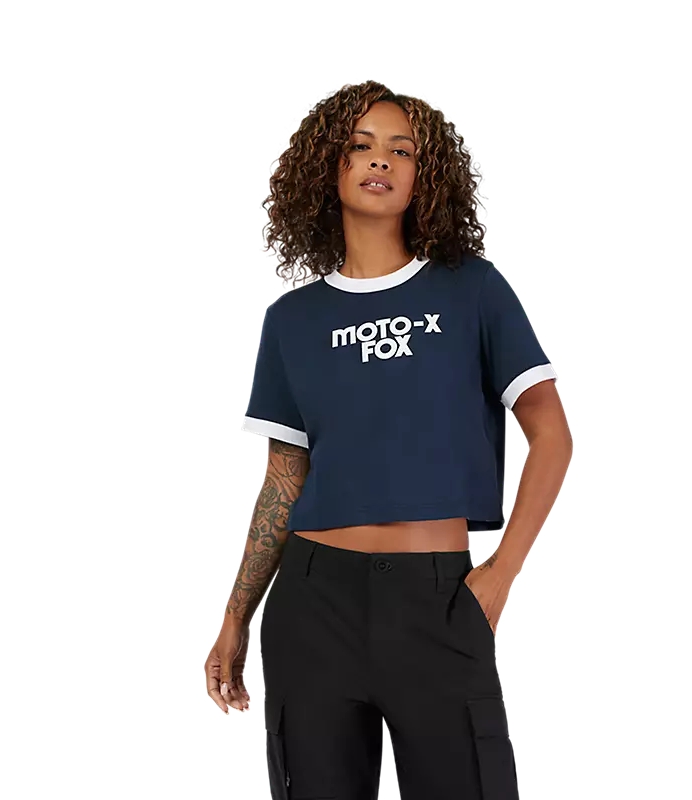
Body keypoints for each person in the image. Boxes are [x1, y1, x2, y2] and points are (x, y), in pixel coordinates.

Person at [204, 80, 573, 800]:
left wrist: (501, 574)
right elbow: (284, 479)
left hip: (437, 598)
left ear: (424, 175)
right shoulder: (292, 321)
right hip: (312, 605)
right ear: (328, 167)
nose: (382, 160)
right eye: (361, 145)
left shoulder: (471, 290)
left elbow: (552, 434)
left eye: (402, 150)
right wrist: (234, 616)